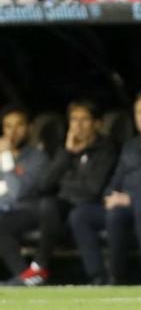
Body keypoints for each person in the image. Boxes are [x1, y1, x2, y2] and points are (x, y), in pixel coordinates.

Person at [20, 100, 117, 286]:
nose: (78, 126)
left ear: (97, 124)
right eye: (74, 120)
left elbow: (92, 189)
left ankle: (42, 265)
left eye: (84, 120)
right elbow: (44, 184)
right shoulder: (66, 149)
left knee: (69, 211)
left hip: (91, 206)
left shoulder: (106, 149)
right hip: (61, 208)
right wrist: (67, 153)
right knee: (46, 204)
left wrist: (65, 185)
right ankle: (34, 269)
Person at [102, 92, 141, 285]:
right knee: (82, 215)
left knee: (140, 207)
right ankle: (111, 275)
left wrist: (132, 198)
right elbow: (117, 176)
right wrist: (109, 195)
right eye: (140, 112)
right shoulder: (130, 145)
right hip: (123, 204)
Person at [0, 106, 49, 284]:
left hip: (26, 211)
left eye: (19, 125)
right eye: (8, 126)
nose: (13, 132)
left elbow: (18, 192)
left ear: (28, 128)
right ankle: (28, 278)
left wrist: (5, 157)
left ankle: (26, 277)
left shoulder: (38, 157)